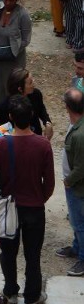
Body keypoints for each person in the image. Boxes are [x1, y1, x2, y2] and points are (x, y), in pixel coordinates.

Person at [0, 95, 54, 304]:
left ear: (10, 117)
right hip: (34, 210)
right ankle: (32, 296)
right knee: (33, 255)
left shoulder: (1, 145)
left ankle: (11, 292)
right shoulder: (43, 145)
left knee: (8, 253)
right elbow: (49, 184)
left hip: (8, 209)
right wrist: (37, 198)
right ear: (32, 115)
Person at [57, 88, 84, 276]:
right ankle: (76, 248)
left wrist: (68, 181)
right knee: (75, 222)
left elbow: (81, 168)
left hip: (77, 187)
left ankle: (83, 259)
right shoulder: (75, 124)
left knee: (80, 224)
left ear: (68, 107)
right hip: (73, 186)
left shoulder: (80, 134)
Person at [0, 68, 53, 139]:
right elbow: (2, 131)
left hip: (36, 137)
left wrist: (47, 122)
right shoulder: (2, 108)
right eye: (30, 82)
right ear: (20, 89)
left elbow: (41, 109)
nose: (34, 84)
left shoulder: (36, 94)